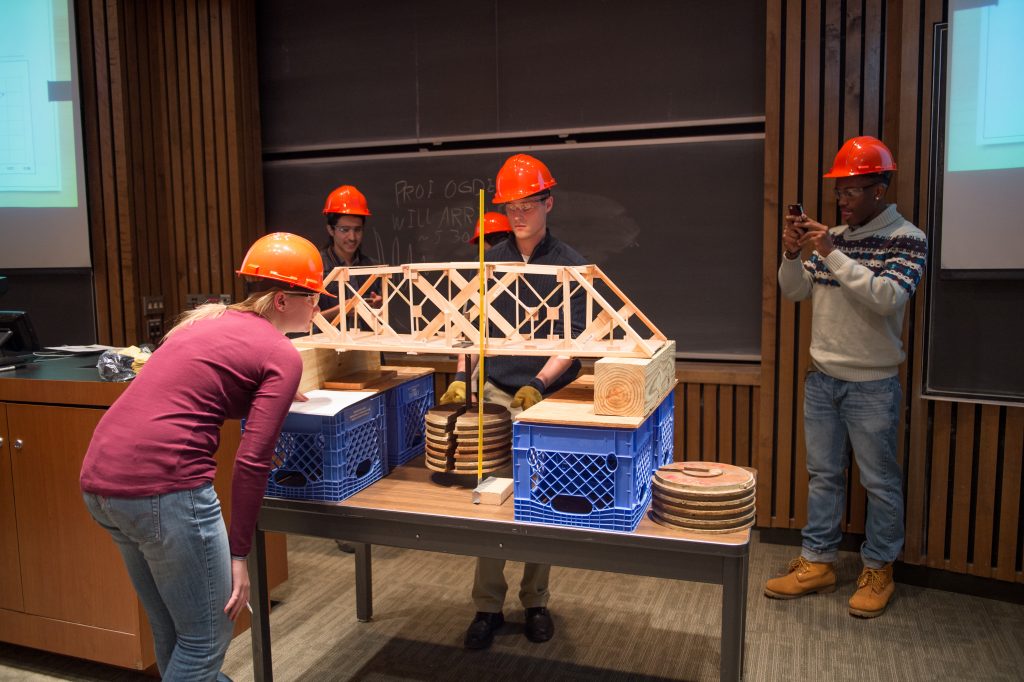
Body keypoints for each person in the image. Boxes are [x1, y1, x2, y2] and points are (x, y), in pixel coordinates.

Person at [80, 232, 330, 680]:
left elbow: (205, 389)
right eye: (310, 297)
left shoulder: (207, 322)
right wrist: (239, 556)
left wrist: (274, 398)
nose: (317, 307)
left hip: (101, 482)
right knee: (206, 639)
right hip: (165, 490)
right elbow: (253, 462)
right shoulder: (281, 353)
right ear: (280, 301)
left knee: (175, 632)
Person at [764, 136, 927, 618]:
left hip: (873, 382)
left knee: (880, 482)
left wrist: (831, 251)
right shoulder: (830, 237)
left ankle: (878, 568)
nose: (841, 200)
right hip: (822, 377)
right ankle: (817, 562)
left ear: (880, 189)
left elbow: (887, 297)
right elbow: (793, 293)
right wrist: (794, 254)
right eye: (838, 191)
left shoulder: (907, 238)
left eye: (851, 191)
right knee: (824, 477)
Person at [438, 153, 587, 649]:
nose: (519, 213)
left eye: (529, 203)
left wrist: (540, 386)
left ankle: (536, 601)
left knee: (539, 502)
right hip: (495, 391)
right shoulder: (491, 260)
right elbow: (469, 332)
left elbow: (573, 342)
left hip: (544, 395)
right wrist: (463, 380)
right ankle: (487, 607)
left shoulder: (569, 264)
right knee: (489, 498)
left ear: (549, 202)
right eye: (511, 205)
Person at [319, 184, 382, 321]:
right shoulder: (316, 267)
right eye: (345, 230)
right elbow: (303, 323)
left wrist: (378, 307)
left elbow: (380, 320)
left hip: (366, 341)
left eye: (357, 230)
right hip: (326, 342)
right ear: (331, 230)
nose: (352, 237)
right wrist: (341, 311)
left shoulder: (373, 268)